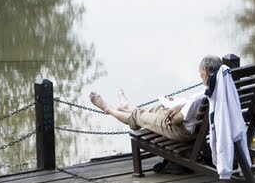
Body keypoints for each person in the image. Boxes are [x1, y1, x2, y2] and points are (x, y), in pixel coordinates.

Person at [89, 55, 223, 142]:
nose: (199, 74)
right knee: (159, 108)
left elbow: (175, 120)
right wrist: (179, 106)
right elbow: (191, 109)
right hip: (198, 129)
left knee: (137, 116)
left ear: (205, 71)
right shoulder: (221, 92)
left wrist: (170, 111)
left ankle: (108, 109)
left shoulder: (199, 99)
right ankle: (127, 106)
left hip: (181, 132)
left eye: (200, 71)